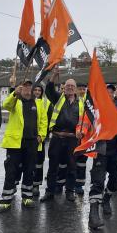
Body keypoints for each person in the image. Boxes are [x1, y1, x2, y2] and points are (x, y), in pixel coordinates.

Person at [0, 80, 48, 213]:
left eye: (29, 86)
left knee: (29, 170)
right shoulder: (16, 101)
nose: (27, 89)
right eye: (25, 86)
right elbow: (6, 105)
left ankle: (27, 197)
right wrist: (14, 93)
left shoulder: (38, 102)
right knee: (11, 171)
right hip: (15, 143)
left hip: (32, 142)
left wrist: (42, 136)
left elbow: (43, 120)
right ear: (21, 88)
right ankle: (6, 200)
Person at [41, 72, 84, 203]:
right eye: (68, 85)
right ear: (64, 87)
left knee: (72, 166)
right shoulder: (58, 98)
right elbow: (48, 90)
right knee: (53, 166)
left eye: (72, 86)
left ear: (76, 89)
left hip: (72, 139)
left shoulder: (81, 103)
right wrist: (53, 76)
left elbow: (86, 120)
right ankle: (50, 191)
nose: (70, 87)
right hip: (57, 138)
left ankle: (70, 191)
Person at [87, 89, 117, 230]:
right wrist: (82, 132)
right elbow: (85, 122)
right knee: (97, 181)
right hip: (101, 149)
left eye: (111, 91)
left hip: (116, 150)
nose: (108, 93)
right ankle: (93, 215)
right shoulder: (95, 107)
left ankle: (106, 198)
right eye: (106, 91)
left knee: (116, 180)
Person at [32, 84, 53, 196]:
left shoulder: (47, 103)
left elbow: (49, 120)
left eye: (39, 90)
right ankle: (26, 184)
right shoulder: (26, 101)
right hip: (27, 138)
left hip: (40, 138)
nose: (36, 92)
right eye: (34, 90)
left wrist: (43, 135)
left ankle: (36, 185)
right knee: (27, 163)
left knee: (39, 163)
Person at [75, 84, 89, 196]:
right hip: (72, 135)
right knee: (69, 161)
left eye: (84, 89)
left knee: (81, 163)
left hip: (84, 136)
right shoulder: (72, 100)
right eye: (80, 89)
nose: (82, 90)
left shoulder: (88, 102)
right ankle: (67, 183)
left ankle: (79, 185)